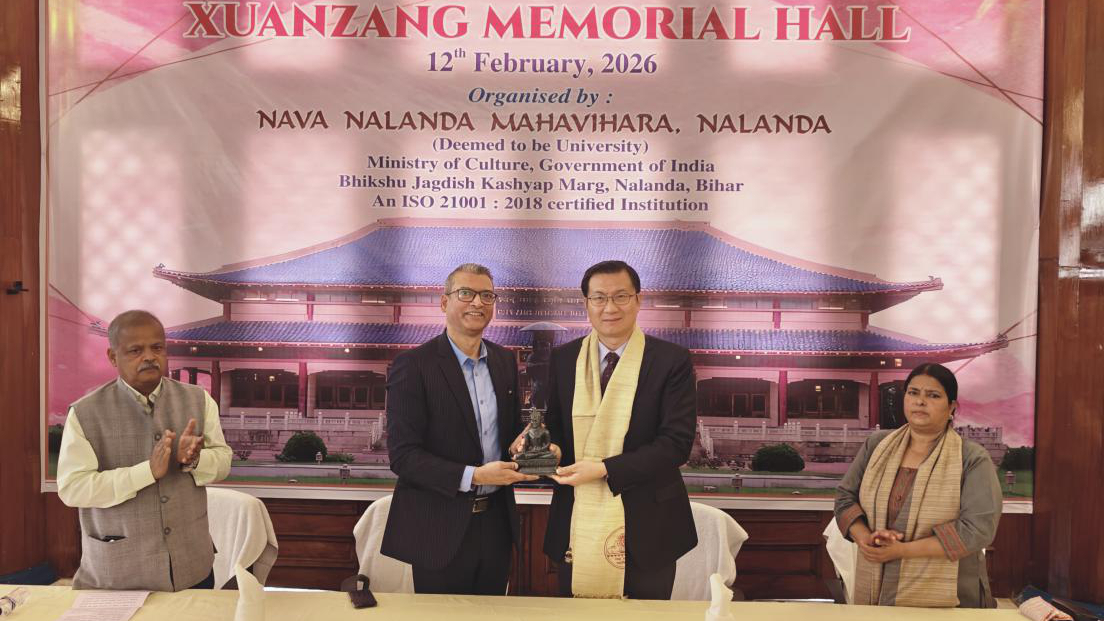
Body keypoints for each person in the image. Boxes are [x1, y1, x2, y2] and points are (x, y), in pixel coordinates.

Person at [543, 260, 697, 599]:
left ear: (638, 300)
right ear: (586, 304)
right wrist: (550, 448)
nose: (609, 308)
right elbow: (555, 427)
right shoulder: (565, 359)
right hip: (576, 519)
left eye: (621, 296)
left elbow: (675, 444)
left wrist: (604, 469)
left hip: (649, 524)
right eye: (599, 298)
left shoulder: (671, 361)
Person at [381, 263, 536, 594]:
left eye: (487, 295)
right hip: (439, 527)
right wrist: (475, 476)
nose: (477, 303)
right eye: (466, 293)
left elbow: (510, 434)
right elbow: (404, 457)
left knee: (491, 613)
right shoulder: (413, 366)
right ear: (444, 302)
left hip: (496, 524)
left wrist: (527, 447)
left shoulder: (504, 361)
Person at [57, 310, 232, 591]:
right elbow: (73, 489)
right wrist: (146, 472)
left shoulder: (199, 400)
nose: (149, 357)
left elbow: (223, 462)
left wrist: (196, 459)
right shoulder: (85, 412)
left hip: (191, 565)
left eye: (157, 348)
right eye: (135, 350)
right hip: (118, 572)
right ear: (113, 357)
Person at [834, 362, 1002, 608]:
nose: (920, 402)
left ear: (952, 407)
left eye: (933, 395)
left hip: (952, 595)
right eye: (913, 393)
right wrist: (864, 538)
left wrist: (901, 551)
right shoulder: (877, 445)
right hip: (877, 588)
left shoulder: (971, 458)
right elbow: (845, 498)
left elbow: (977, 529)